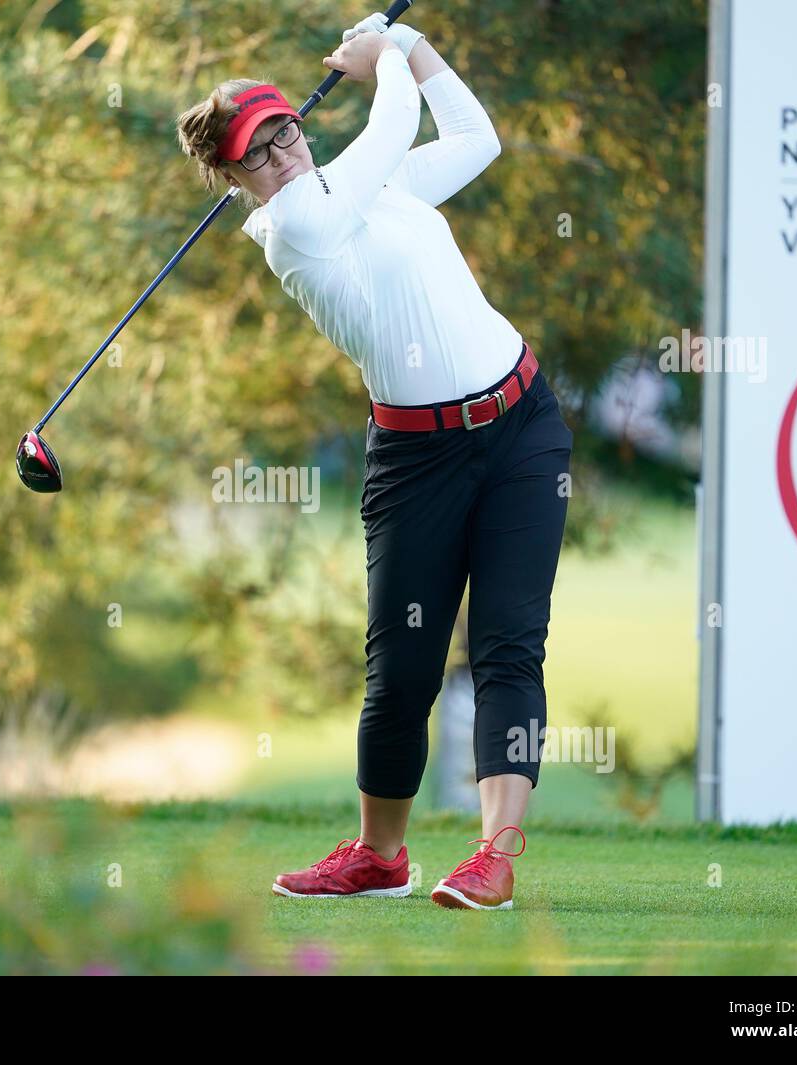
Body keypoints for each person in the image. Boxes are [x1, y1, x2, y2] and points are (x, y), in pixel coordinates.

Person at [176, 13, 573, 911]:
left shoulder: (371, 185)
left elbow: (474, 137)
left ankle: (494, 857)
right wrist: (385, 58)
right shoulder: (294, 231)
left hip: (522, 427)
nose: (281, 153)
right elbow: (391, 123)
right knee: (401, 669)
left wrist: (419, 47)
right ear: (234, 176)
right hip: (416, 457)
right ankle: (380, 853)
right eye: (259, 151)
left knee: (510, 645)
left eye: (285, 131)